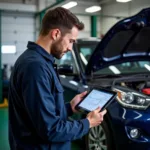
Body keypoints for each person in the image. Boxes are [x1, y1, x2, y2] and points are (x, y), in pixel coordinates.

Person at [8, 7, 107, 150]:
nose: (70, 48)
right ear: (56, 34)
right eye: (71, 41)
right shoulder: (35, 67)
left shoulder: (40, 62)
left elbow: (41, 115)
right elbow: (50, 129)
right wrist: (88, 123)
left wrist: (70, 108)